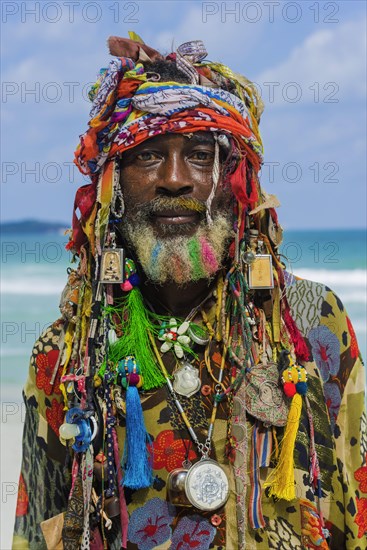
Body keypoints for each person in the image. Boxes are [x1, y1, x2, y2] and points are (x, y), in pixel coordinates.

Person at [13, 34, 366, 550]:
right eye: (148, 155)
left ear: (237, 181)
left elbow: (357, 499)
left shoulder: (311, 322)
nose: (175, 179)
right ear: (112, 184)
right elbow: (36, 531)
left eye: (202, 155)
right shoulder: (67, 356)